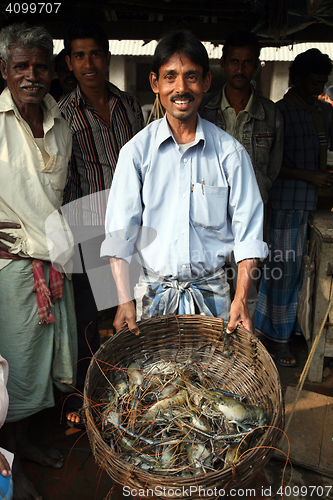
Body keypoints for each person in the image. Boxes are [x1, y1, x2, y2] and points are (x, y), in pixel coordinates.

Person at [100, 30, 268, 336]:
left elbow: (249, 234)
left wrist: (241, 297)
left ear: (206, 82)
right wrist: (123, 299)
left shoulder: (230, 154)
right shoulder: (136, 153)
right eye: (170, 77)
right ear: (155, 83)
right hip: (152, 294)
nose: (181, 88)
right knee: (156, 382)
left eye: (191, 77)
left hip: (214, 296)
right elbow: (119, 235)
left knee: (212, 381)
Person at [0, 23, 77, 499]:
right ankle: (11, 466)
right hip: (12, 269)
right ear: (4, 70)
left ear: (53, 70)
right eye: (21, 66)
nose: (32, 75)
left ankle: (22, 446)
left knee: (35, 371)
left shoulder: (61, 123)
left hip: (53, 264)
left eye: (41, 65)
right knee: (12, 374)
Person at [59, 21, 144, 427]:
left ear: (107, 57)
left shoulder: (129, 105)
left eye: (95, 53)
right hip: (89, 228)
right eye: (79, 56)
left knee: (128, 311)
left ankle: (126, 394)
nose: (88, 63)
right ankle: (84, 394)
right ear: (70, 63)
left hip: (130, 230)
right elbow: (64, 180)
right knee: (89, 319)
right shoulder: (62, 114)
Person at [199, 31, 283, 326]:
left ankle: (243, 349)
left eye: (247, 62)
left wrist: (253, 198)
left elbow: (273, 169)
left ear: (257, 65)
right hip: (208, 219)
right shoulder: (204, 110)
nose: (240, 69)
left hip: (251, 218)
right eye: (234, 61)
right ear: (223, 64)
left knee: (248, 288)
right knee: (210, 287)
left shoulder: (270, 114)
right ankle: (213, 349)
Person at [255, 48, 333, 366]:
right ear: (296, 79)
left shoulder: (322, 111)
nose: (318, 87)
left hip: (310, 205)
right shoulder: (280, 113)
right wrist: (309, 175)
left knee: (299, 275)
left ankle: (287, 332)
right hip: (285, 203)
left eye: (322, 82)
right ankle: (277, 340)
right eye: (313, 81)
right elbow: (270, 165)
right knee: (281, 274)